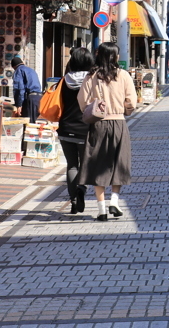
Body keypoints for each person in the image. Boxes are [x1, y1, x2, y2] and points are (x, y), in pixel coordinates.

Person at [77, 42, 137, 221]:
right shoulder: (124, 75)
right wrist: (124, 109)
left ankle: (101, 210)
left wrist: (93, 108)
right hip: (118, 123)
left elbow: (82, 101)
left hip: (98, 125)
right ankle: (115, 201)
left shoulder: (91, 76)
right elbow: (131, 102)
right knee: (119, 162)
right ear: (115, 57)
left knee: (98, 165)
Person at [58, 47, 94, 214]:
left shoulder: (63, 81)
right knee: (86, 165)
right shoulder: (92, 80)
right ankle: (82, 188)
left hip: (66, 128)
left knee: (72, 165)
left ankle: (73, 200)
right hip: (85, 129)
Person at [11, 56, 42, 121]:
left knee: (27, 122)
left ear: (14, 67)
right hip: (39, 97)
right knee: (34, 122)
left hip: (30, 98)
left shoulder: (18, 70)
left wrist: (19, 105)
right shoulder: (31, 70)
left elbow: (19, 89)